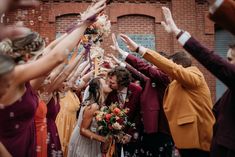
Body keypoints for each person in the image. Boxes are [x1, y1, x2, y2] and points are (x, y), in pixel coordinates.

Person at [0, 1, 107, 156]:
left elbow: (51, 51)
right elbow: (55, 57)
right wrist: (84, 23)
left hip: (27, 146)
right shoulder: (13, 76)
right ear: (26, 55)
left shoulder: (26, 81)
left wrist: (81, 24)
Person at [118, 31, 215, 157]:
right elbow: (143, 75)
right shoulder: (173, 82)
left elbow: (167, 69)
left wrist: (138, 49)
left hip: (197, 137)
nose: (165, 71)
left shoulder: (194, 74)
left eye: (168, 66)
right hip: (182, 138)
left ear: (177, 65)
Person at [160, 6, 235, 157]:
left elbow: (212, 60)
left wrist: (178, 33)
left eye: (231, 59)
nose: (228, 62)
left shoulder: (193, 75)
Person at [110, 34, 174, 157]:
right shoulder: (151, 79)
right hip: (148, 129)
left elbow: (145, 69)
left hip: (160, 130)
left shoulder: (163, 77)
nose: (152, 65)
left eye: (155, 63)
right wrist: (121, 62)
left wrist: (124, 53)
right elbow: (138, 74)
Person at [68, 77, 112, 157]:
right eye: (105, 83)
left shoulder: (101, 105)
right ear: (99, 89)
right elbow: (83, 130)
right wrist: (102, 139)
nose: (109, 83)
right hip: (84, 142)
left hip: (92, 140)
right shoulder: (93, 106)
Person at [105, 66, 142, 157]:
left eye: (112, 82)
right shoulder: (110, 91)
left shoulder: (137, 90)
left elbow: (139, 114)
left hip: (132, 135)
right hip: (114, 135)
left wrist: (130, 134)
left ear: (121, 82)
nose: (109, 84)